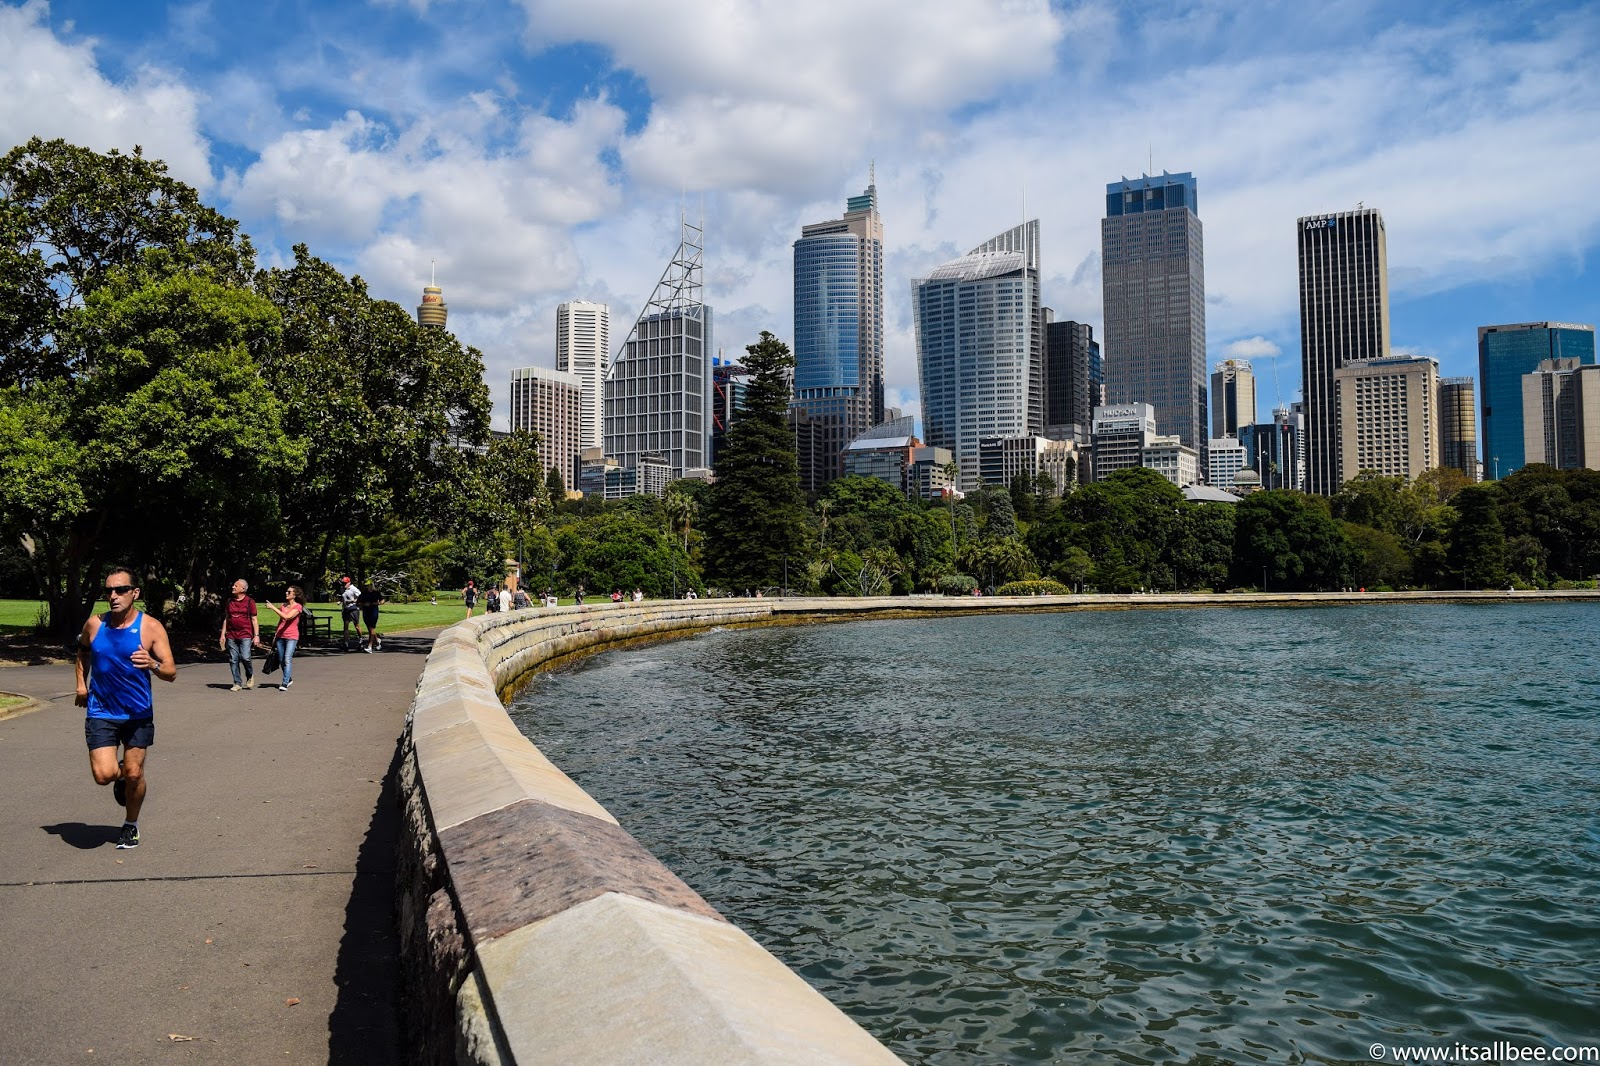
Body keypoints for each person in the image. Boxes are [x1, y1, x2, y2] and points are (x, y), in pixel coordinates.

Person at [76, 567, 177, 850]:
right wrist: (81, 685)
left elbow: (171, 671)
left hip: (137, 714)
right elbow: (82, 651)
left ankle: (130, 825)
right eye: (108, 590)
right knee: (103, 776)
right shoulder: (95, 624)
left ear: (135, 593)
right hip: (101, 711)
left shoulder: (151, 627)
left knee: (135, 773)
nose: (113, 596)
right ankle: (119, 774)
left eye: (120, 590)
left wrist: (153, 664)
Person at [219, 578, 259, 690]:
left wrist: (256, 636)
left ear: (243, 589)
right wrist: (223, 635)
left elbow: (254, 619)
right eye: (233, 585)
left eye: (236, 586)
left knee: (245, 657)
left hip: (245, 634)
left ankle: (250, 674)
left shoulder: (250, 602)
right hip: (231, 634)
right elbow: (226, 619)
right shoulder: (229, 602)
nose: (233, 587)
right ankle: (237, 683)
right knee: (233, 659)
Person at [266, 586, 305, 691]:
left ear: (295, 595)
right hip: (280, 636)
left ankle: (285, 682)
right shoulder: (283, 606)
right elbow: (281, 621)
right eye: (286, 591)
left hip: (292, 636)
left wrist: (273, 607)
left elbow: (287, 617)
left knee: (287, 658)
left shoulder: (298, 607)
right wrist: (275, 634)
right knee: (281, 659)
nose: (286, 593)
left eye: (289, 592)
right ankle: (289, 678)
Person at [358, 583, 384, 653]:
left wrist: (378, 603)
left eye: (368, 585)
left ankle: (370, 646)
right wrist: (364, 604)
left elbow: (382, 600)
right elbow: (358, 602)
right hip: (366, 612)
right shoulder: (363, 593)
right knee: (370, 629)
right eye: (366, 585)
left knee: (372, 628)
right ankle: (377, 640)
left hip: (374, 612)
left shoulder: (376, 593)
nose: (367, 587)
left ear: (371, 585)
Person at [339, 576, 362, 646]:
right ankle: (346, 643)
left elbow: (361, 597)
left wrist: (352, 601)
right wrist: (340, 601)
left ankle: (361, 639)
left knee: (357, 625)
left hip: (353, 609)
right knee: (345, 626)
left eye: (345, 583)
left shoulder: (353, 589)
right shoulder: (342, 589)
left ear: (349, 582)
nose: (344, 584)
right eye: (343, 583)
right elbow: (343, 597)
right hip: (346, 609)